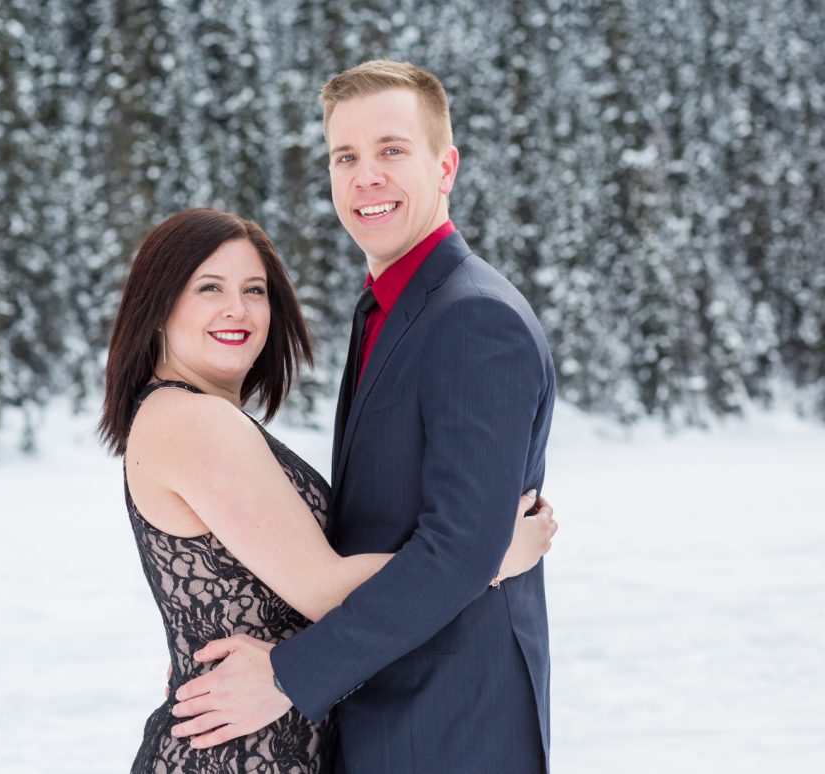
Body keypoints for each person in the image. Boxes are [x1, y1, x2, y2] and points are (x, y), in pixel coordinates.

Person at [170, 61, 559, 772]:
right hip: (392, 711)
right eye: (344, 156)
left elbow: (459, 549)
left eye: (391, 151)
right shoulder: (395, 304)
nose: (364, 176)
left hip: (451, 724)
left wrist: (289, 676)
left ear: (446, 168)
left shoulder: (473, 318)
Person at [99, 207, 557, 772]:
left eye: (255, 290)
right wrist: (485, 555)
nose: (236, 310)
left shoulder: (187, 415)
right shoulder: (193, 421)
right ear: (159, 306)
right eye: (209, 287)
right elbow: (324, 590)